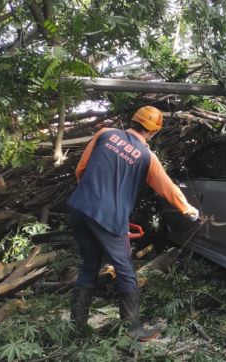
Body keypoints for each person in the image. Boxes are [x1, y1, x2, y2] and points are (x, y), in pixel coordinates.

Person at [68, 106, 200, 340]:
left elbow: (82, 167)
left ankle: (76, 327)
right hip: (109, 217)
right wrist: (187, 209)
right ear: (154, 132)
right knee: (126, 271)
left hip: (80, 207)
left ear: (134, 121)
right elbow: (167, 188)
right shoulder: (147, 157)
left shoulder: (105, 134)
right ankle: (132, 330)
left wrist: (88, 198)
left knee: (89, 263)